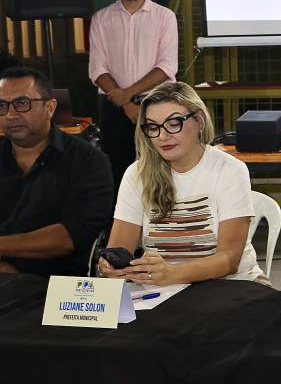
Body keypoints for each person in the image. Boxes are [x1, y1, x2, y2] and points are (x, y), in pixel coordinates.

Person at [98, 82, 266, 285]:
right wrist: (109, 266)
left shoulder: (230, 170)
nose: (163, 136)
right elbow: (119, 248)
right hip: (162, 289)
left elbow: (229, 260)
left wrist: (172, 273)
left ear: (200, 121)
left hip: (234, 284)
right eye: (153, 127)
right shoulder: (137, 174)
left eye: (174, 123)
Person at [0, 66, 114, 276]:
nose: (10, 115)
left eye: (22, 103)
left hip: (58, 286)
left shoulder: (88, 161)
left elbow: (72, 236)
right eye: (2, 105)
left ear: (50, 107)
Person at [89, 0, 179, 191]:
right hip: (114, 107)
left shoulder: (164, 17)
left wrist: (127, 94)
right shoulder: (101, 18)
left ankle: (162, 214)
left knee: (162, 171)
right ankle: (120, 216)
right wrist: (126, 103)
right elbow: (97, 69)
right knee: (118, 173)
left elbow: (167, 66)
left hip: (158, 103)